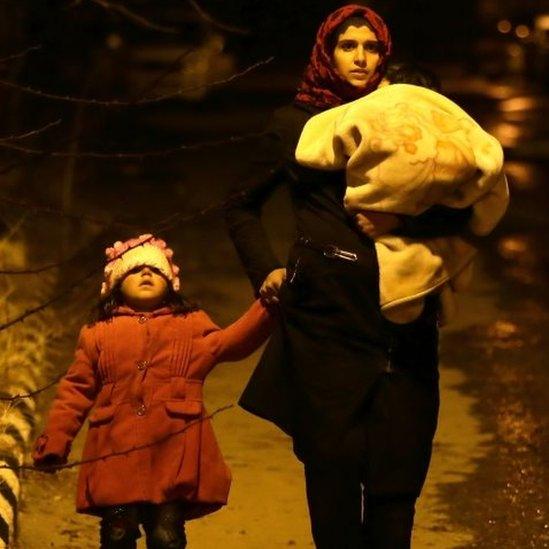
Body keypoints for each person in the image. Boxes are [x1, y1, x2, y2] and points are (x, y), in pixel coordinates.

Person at [225, 5, 472, 548]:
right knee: (332, 478)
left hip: (402, 331)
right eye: (348, 46)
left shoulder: (413, 122)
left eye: (371, 47)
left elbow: (467, 205)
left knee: (396, 484)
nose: (360, 57)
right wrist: (265, 267)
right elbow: (241, 205)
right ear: (327, 52)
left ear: (385, 54)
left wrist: (401, 218)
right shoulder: (296, 124)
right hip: (325, 330)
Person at [32, 233, 273, 548]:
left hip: (172, 454)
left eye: (156, 270)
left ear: (170, 283)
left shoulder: (190, 324)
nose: (146, 274)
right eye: (135, 270)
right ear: (117, 284)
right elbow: (75, 391)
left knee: (166, 535)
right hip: (113, 455)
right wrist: (56, 442)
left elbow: (229, 343)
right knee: (117, 532)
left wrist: (268, 307)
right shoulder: (97, 334)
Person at [295, 64, 509, 323]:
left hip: (410, 282)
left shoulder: (445, 152)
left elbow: (470, 211)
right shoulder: (363, 145)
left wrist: (398, 221)